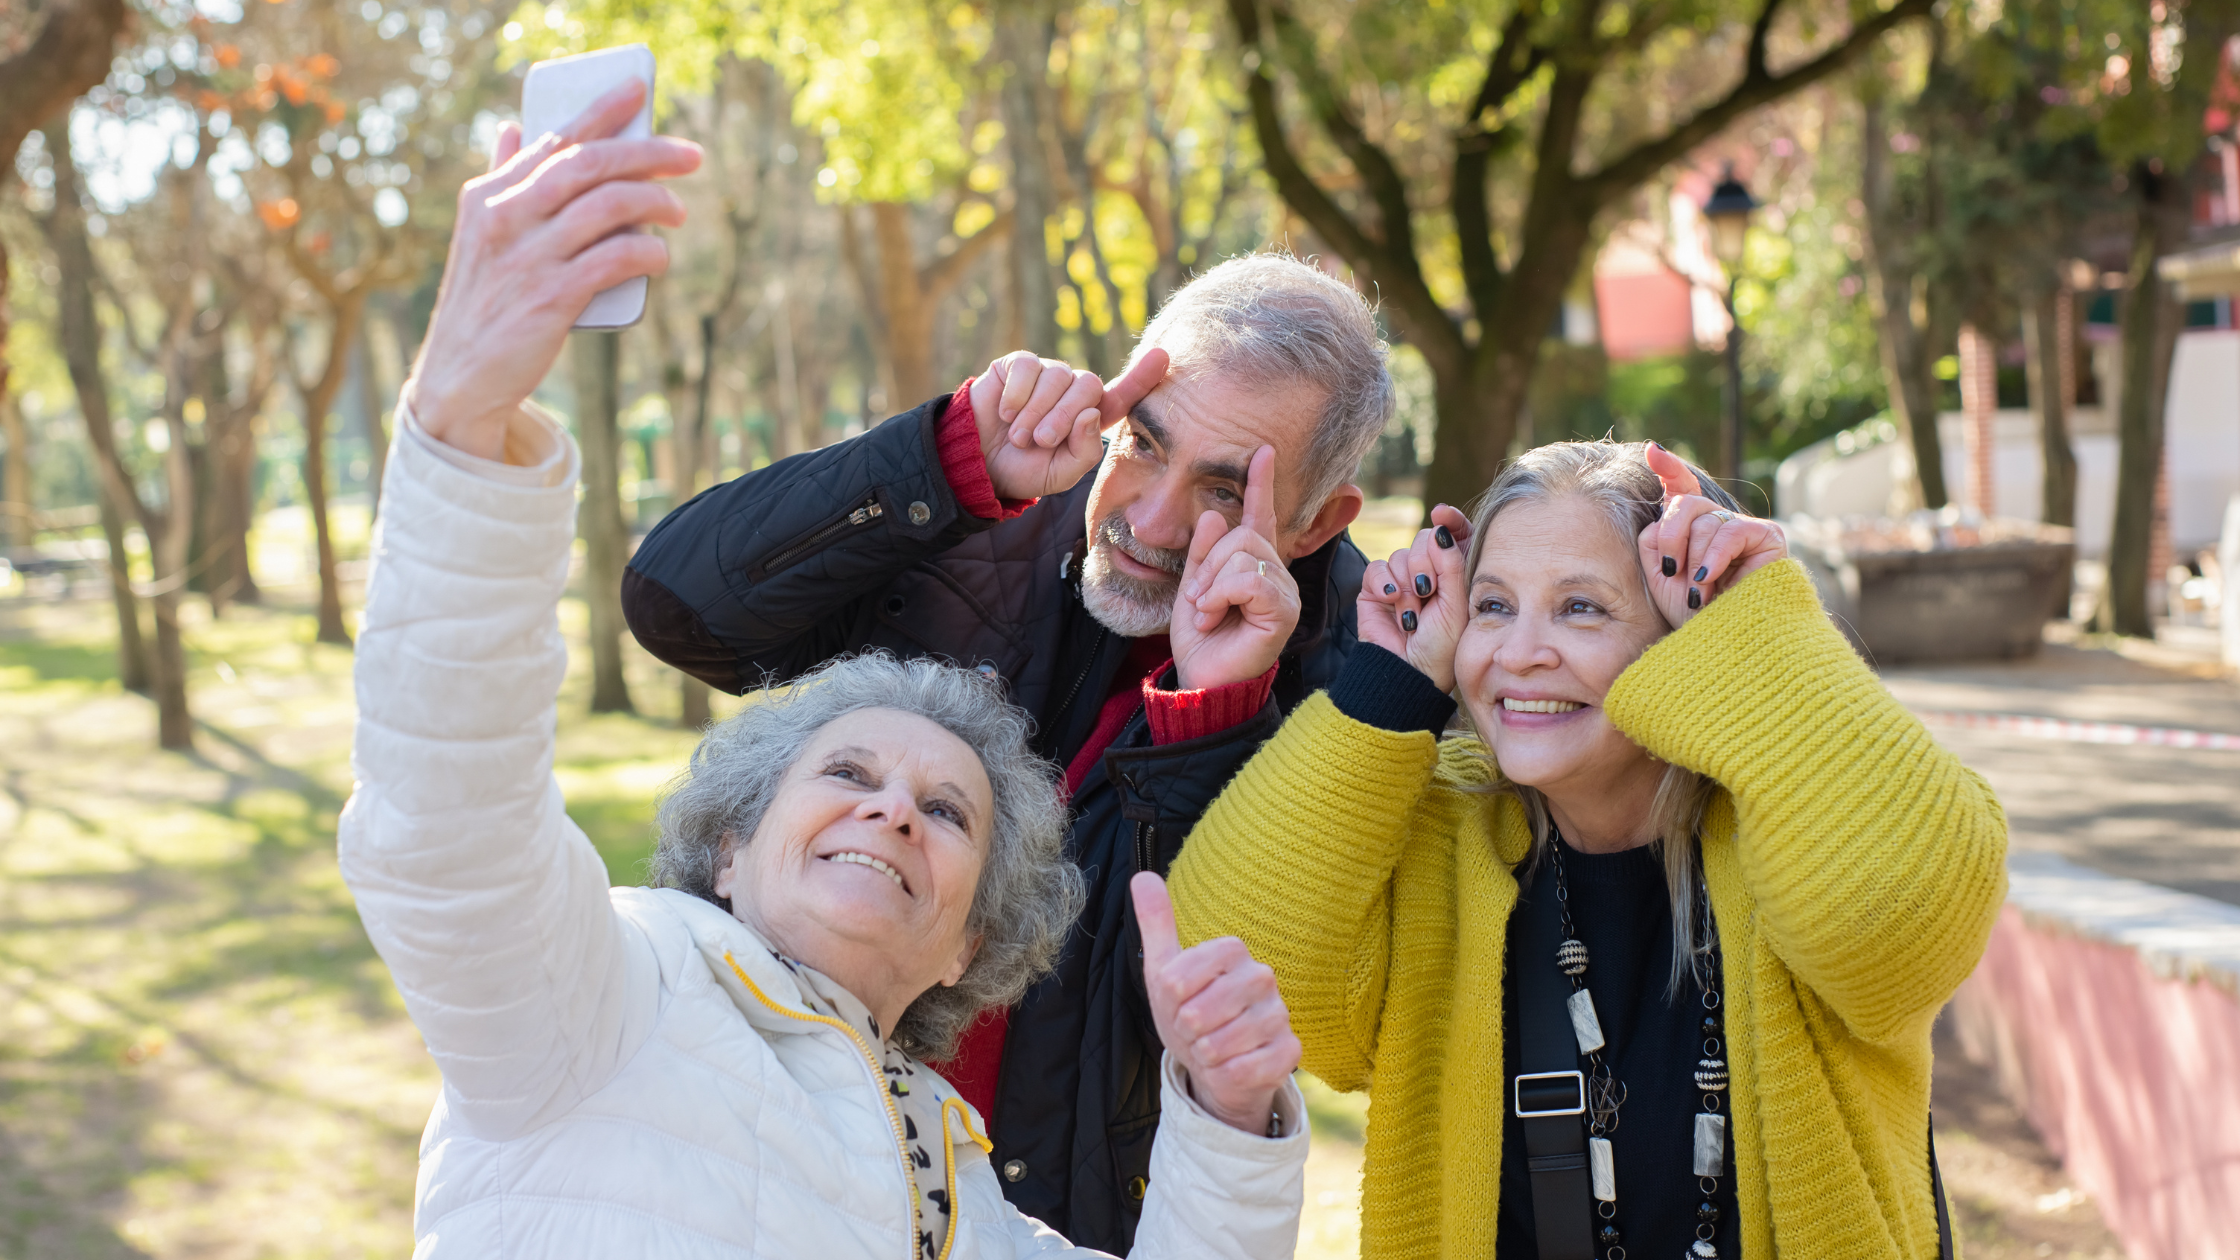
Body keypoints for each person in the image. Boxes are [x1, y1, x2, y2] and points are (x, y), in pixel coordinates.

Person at [342, 102, 1313, 1248]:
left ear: (969, 947)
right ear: (729, 845)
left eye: (947, 811)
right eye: (846, 769)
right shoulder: (600, 1004)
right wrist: (461, 418)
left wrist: (1227, 1117)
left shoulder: (960, 1200)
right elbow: (444, 830)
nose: (892, 809)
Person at [623, 233, 1390, 1245]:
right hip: (787, 1175)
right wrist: (945, 457)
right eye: (1144, 442)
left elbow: (1181, 999)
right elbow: (678, 608)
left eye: (1220, 489)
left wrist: (1213, 714)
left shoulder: (1349, 685)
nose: (1148, 520)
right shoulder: (979, 513)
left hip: (1045, 1220)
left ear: (1313, 523)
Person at [1166, 439, 2010, 1259]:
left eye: (1581, 607)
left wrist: (1763, 628)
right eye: (1492, 605)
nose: (1520, 654)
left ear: (1686, 632)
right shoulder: (1440, 830)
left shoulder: (1796, 819)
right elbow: (1235, 958)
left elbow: (1900, 924)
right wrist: (1387, 688)